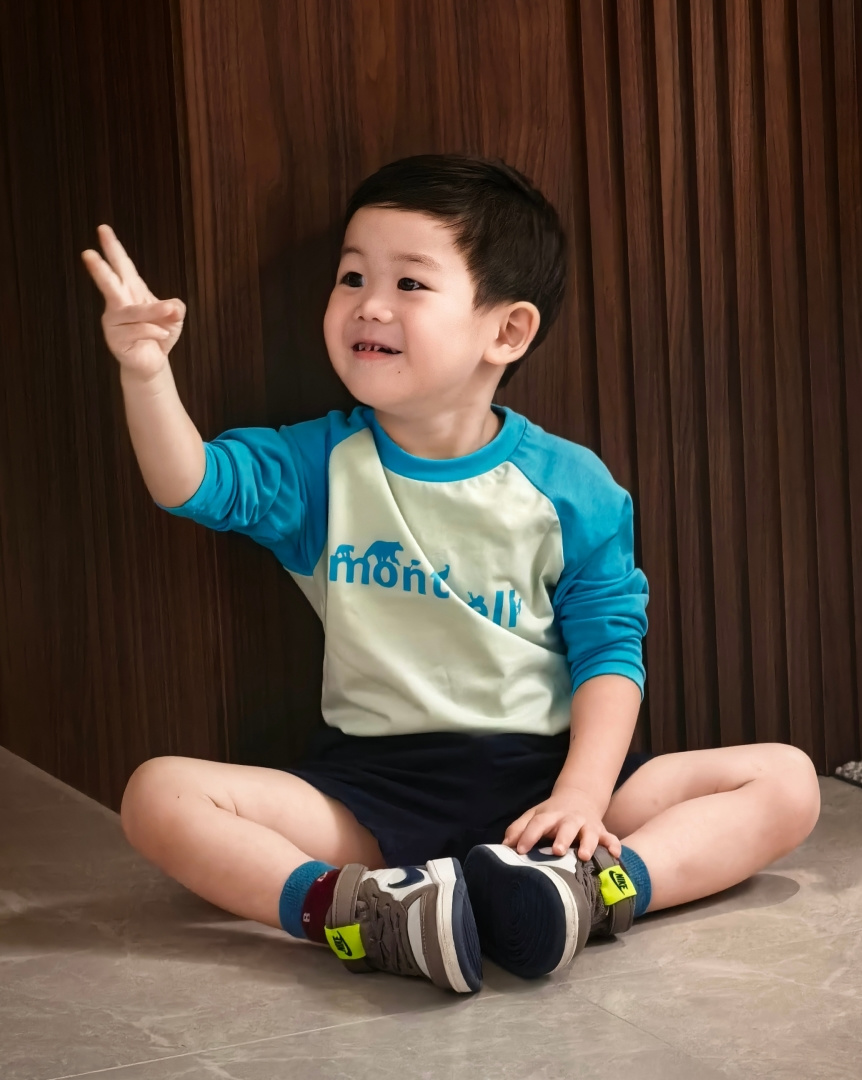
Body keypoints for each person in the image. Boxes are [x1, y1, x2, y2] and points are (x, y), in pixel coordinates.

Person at [82, 154, 821, 994]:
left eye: (409, 283)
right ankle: (364, 913)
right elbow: (190, 483)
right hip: (374, 793)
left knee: (786, 780)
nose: (370, 304)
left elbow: (609, 652)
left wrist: (581, 798)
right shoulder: (319, 466)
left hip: (549, 780)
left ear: (505, 332)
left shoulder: (570, 485)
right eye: (352, 276)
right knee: (158, 795)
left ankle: (589, 890)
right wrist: (146, 371)